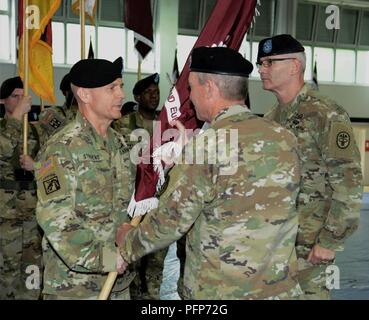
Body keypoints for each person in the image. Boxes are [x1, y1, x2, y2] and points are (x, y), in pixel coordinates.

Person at [115, 46, 303, 299]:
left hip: (223, 291)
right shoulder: (284, 137)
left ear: (210, 88)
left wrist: (128, 241)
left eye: (191, 88)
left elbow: (171, 221)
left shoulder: (206, 146)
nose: (189, 97)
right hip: (279, 289)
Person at [257, 34, 363, 299]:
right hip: (273, 245)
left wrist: (329, 242)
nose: (261, 69)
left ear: (294, 66)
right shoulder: (270, 119)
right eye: (260, 63)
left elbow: (349, 184)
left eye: (269, 62)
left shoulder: (326, 113)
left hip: (310, 249)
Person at [35, 57, 135, 300]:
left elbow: (127, 209)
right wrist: (107, 259)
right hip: (75, 288)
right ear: (85, 95)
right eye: (112, 88)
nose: (121, 94)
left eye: (121, 86)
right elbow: (56, 221)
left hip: (118, 284)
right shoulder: (61, 147)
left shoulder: (120, 144)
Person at [0, 76, 42, 299]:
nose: (20, 101)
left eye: (23, 96)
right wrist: (16, 117)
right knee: (6, 273)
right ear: (2, 101)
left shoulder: (36, 132)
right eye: (14, 96)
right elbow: (2, 150)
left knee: (32, 270)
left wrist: (37, 167)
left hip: (33, 215)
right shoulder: (2, 129)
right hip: (5, 216)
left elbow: (53, 166)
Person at [37, 73, 78, 145]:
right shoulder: (51, 113)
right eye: (73, 91)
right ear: (64, 92)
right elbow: (66, 134)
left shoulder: (90, 116)